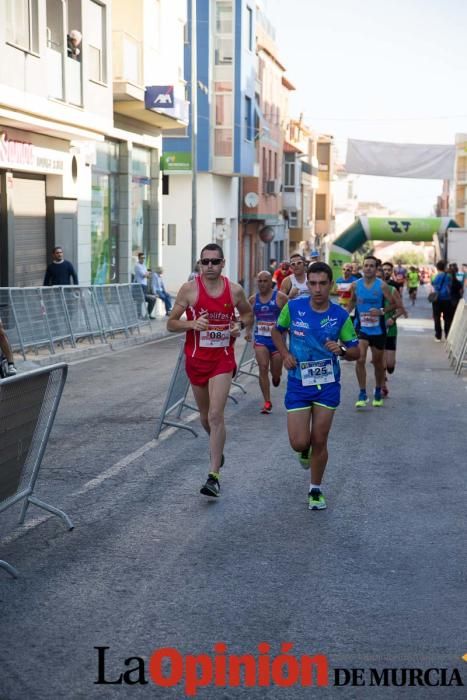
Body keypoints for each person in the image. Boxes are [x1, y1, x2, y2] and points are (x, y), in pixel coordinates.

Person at [167, 244, 253, 498]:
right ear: (199, 264)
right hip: (196, 361)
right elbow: (170, 323)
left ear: (223, 263)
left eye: (215, 262)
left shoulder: (234, 290)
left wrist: (239, 324)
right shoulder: (189, 290)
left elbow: (248, 314)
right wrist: (192, 323)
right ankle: (218, 447)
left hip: (222, 360)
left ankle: (213, 475)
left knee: (216, 415)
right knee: (205, 417)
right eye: (205, 262)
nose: (210, 266)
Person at [271, 262, 359, 511]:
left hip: (327, 384)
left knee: (320, 439)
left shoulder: (340, 315)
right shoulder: (293, 307)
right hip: (299, 382)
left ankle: (315, 489)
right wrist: (285, 353)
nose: (317, 288)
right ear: (307, 283)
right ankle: (304, 451)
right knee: (300, 442)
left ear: (330, 284)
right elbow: (277, 332)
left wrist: (341, 349)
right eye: (313, 283)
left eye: (323, 283)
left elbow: (355, 351)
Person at [347, 255, 402, 408]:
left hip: (378, 330)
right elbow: (352, 302)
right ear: (362, 268)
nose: (369, 268)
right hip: (361, 328)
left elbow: (395, 304)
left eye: (372, 266)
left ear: (376, 269)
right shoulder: (355, 285)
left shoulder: (382, 286)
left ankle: (378, 390)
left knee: (378, 363)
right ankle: (362, 393)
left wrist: (381, 311)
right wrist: (344, 315)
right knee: (360, 359)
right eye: (366, 266)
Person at [247, 271, 288, 414]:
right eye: (260, 281)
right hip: (261, 339)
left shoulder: (281, 298)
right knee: (263, 367)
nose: (262, 284)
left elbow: (290, 316)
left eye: (265, 281)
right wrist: (247, 331)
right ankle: (267, 401)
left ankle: (276, 376)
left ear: (271, 282)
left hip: (277, 342)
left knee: (275, 371)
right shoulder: (253, 300)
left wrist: (289, 330)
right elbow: (249, 317)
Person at [381, 262, 407, 396]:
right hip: (377, 330)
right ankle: (382, 385)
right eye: (383, 270)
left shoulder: (393, 289)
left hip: (390, 329)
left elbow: (401, 309)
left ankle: (387, 371)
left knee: (390, 365)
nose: (385, 273)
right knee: (380, 360)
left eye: (387, 270)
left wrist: (393, 318)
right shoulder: (370, 291)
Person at [430, 260, 453, 341]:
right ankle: (447, 335)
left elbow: (432, 285)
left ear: (437, 267)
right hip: (447, 299)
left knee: (437, 317)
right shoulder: (449, 276)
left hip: (437, 299)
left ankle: (438, 335)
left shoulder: (435, 276)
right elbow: (451, 286)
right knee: (447, 318)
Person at [134, 252, 155, 317]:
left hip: (144, 285)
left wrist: (147, 273)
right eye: (142, 258)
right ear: (139, 258)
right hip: (139, 285)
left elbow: (148, 276)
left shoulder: (144, 266)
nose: (143, 259)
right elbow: (144, 275)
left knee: (151, 299)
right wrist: (148, 273)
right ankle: (139, 315)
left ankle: (148, 315)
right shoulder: (137, 266)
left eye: (144, 258)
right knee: (140, 300)